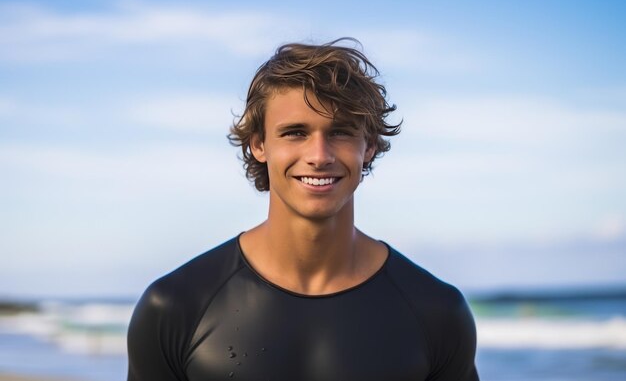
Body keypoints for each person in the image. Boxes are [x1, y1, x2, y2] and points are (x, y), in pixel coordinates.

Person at [127, 38, 479, 381]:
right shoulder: (176, 308)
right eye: (295, 132)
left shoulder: (437, 313)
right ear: (259, 144)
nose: (319, 156)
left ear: (368, 145)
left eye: (340, 132)